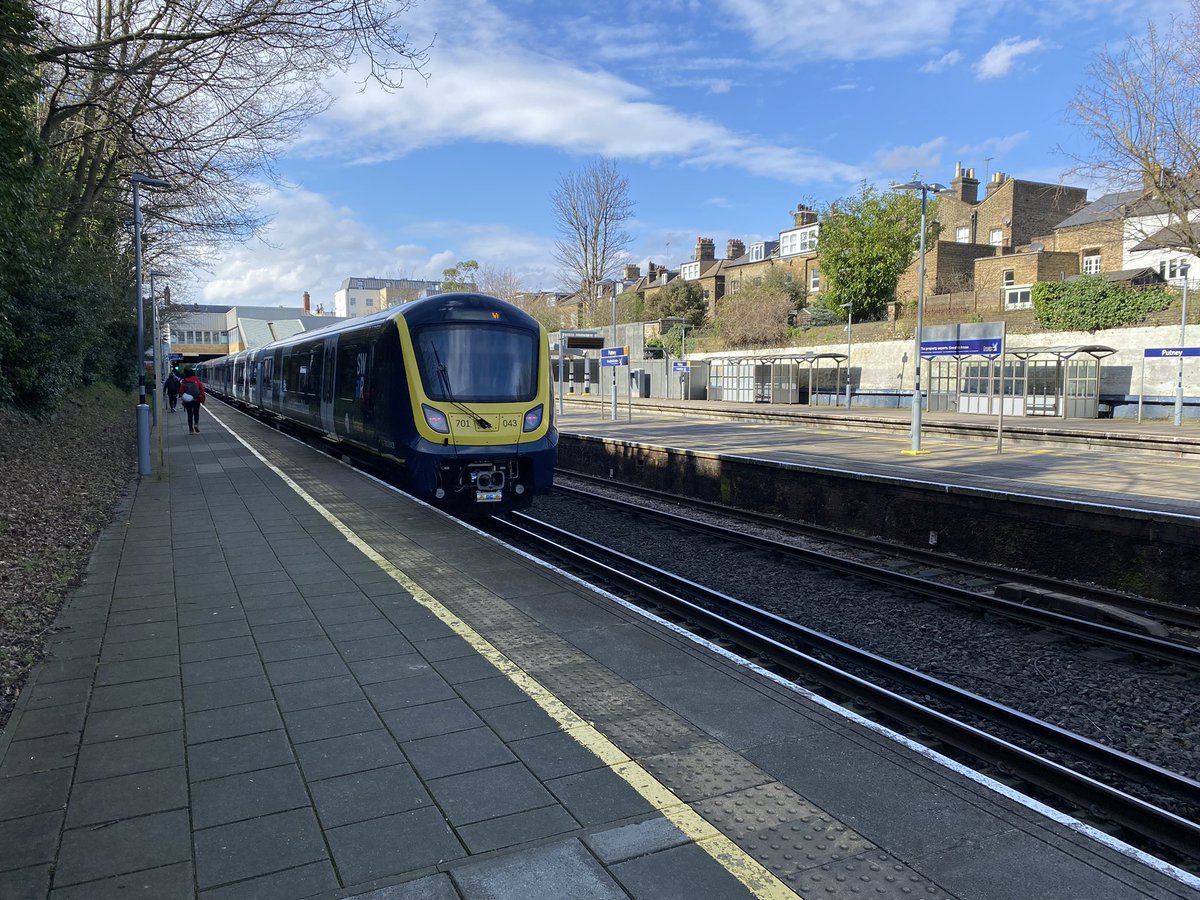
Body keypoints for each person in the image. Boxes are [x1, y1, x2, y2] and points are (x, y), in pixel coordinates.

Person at [179, 366, 206, 433]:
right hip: (197, 399)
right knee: (196, 413)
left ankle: (191, 429)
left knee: (189, 414)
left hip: (188, 400)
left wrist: (183, 398)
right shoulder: (197, 380)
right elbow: (202, 390)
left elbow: (181, 391)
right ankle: (196, 424)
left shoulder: (184, 381)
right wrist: (203, 399)